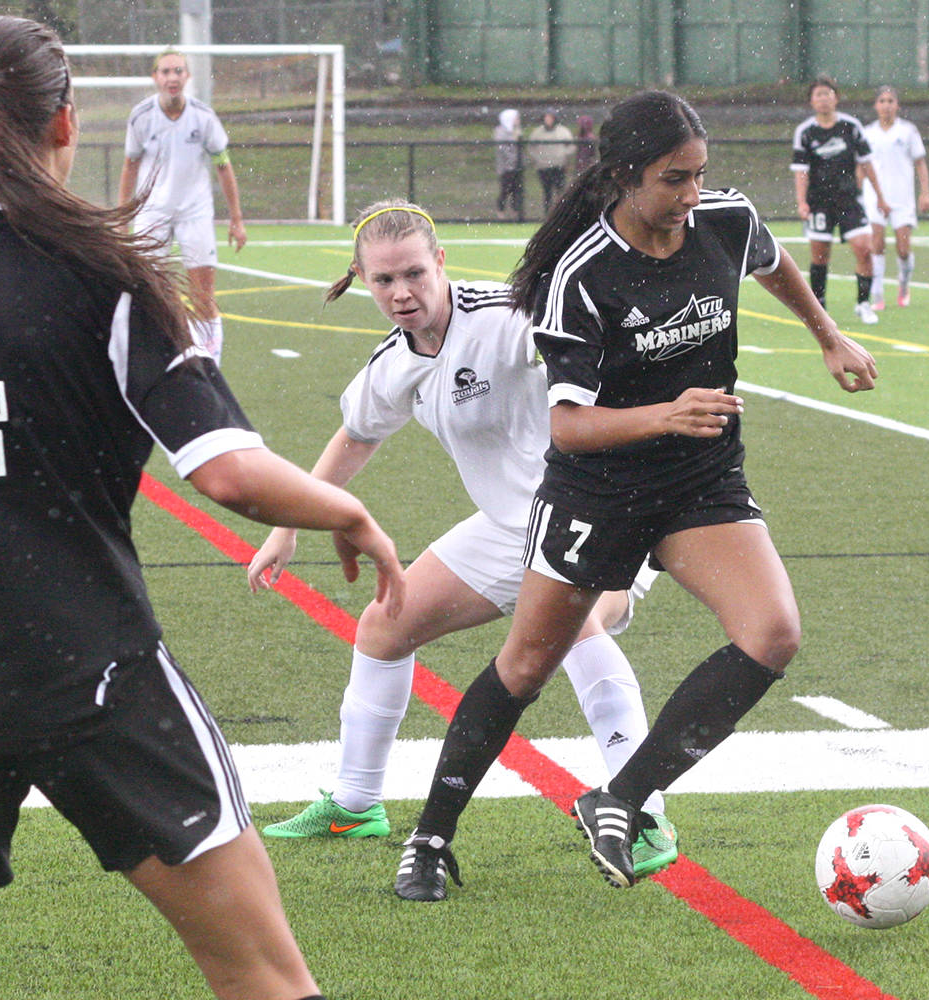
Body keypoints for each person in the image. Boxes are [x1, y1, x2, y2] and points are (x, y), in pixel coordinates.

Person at [0, 16, 406, 1000]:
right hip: (91, 671)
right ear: (67, 125)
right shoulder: (105, 272)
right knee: (263, 971)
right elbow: (228, 471)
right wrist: (347, 513)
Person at [389, 90, 878, 897]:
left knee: (773, 633)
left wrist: (828, 334)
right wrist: (668, 412)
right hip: (597, 491)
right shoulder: (579, 276)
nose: (691, 195)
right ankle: (430, 839)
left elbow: (769, 257)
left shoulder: (723, 219)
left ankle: (620, 796)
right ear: (623, 175)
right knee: (526, 665)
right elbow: (571, 427)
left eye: (699, 175)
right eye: (672, 179)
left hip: (700, 479)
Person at [246, 199, 679, 901]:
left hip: (598, 510)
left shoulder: (505, 320)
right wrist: (289, 523)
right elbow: (357, 435)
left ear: (441, 263)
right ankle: (356, 805)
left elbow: (592, 336)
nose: (402, 293)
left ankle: (645, 812)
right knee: (385, 627)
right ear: (363, 280)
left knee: (575, 627)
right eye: (383, 281)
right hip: (510, 528)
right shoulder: (394, 364)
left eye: (414, 273)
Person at [118, 49, 245, 364]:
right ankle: (162, 354)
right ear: (155, 77)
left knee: (203, 293)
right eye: (165, 71)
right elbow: (130, 165)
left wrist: (236, 219)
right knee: (151, 289)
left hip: (195, 211)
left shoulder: (203, 117)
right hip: (152, 211)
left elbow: (223, 166)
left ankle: (209, 359)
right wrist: (123, 218)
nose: (172, 77)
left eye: (178, 71)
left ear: (187, 77)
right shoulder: (141, 116)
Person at [792, 74, 889, 326]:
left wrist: (880, 197)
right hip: (819, 202)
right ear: (812, 101)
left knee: (864, 248)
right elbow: (801, 171)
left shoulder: (851, 127)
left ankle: (863, 304)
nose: (823, 99)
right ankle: (818, 308)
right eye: (818, 95)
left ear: (836, 98)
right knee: (820, 255)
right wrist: (802, 202)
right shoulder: (805, 132)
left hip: (849, 200)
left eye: (828, 94)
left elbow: (866, 163)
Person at [862, 86, 929, 309]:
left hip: (902, 197)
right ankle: (878, 293)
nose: (886, 105)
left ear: (897, 105)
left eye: (890, 101)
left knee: (903, 249)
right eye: (882, 101)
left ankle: (903, 284)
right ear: (876, 106)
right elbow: (861, 166)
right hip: (874, 196)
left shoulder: (908, 131)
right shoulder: (868, 132)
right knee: (877, 243)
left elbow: (920, 162)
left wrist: (925, 192)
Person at [528, 108, 576, 214]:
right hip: (543, 166)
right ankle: (547, 214)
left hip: (559, 166)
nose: (548, 120)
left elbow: (571, 146)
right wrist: (537, 157)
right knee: (547, 192)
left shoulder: (563, 131)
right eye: (546, 117)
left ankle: (560, 213)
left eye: (550, 117)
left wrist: (563, 154)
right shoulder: (537, 132)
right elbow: (531, 147)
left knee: (560, 191)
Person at [493, 108, 524, 221]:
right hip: (506, 168)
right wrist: (513, 160)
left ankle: (515, 213)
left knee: (516, 191)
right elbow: (505, 151)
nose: (518, 120)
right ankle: (501, 212)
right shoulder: (501, 132)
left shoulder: (516, 131)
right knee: (505, 190)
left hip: (516, 168)